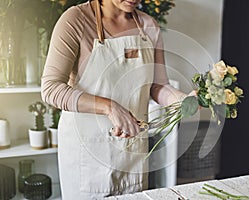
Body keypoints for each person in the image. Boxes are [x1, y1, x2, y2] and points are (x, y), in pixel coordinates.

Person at [41, 0, 193, 198]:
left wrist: (183, 100)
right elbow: (51, 88)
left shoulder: (148, 26)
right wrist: (109, 108)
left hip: (133, 155)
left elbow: (158, 86)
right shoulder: (76, 20)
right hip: (88, 156)